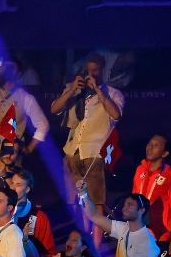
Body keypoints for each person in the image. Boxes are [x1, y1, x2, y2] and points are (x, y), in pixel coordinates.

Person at [52, 54, 124, 246]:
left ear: (102, 71)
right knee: (78, 201)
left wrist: (99, 91)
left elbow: (116, 114)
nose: (90, 74)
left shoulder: (113, 93)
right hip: (72, 151)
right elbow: (54, 109)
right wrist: (72, 90)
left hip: (94, 154)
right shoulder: (74, 89)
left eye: (95, 71)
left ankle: (97, 247)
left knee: (96, 202)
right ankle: (86, 241)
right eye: (87, 70)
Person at [80, 190, 158, 257]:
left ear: (141, 211)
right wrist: (83, 194)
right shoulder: (123, 228)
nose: (124, 208)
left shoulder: (146, 243)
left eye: (129, 205)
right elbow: (94, 216)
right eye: (125, 204)